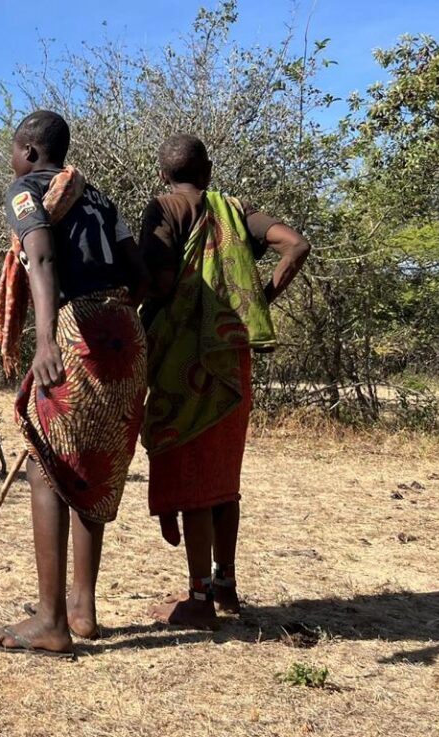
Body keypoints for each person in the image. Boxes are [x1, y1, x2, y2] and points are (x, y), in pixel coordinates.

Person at [0, 111, 149, 658]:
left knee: (47, 465)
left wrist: (47, 338)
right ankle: (82, 606)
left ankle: (51, 620)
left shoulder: (25, 189)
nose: (10, 159)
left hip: (79, 328)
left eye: (12, 148)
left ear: (28, 149)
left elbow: (42, 256)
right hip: (125, 326)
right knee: (90, 461)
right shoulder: (100, 199)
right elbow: (138, 271)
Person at [139, 134, 311, 629]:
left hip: (181, 359)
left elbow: (163, 283)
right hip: (232, 359)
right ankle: (226, 587)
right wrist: (255, 300)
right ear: (209, 172)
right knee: (222, 477)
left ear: (162, 174)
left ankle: (198, 600)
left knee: (194, 473)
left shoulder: (164, 208)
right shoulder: (235, 210)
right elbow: (295, 245)